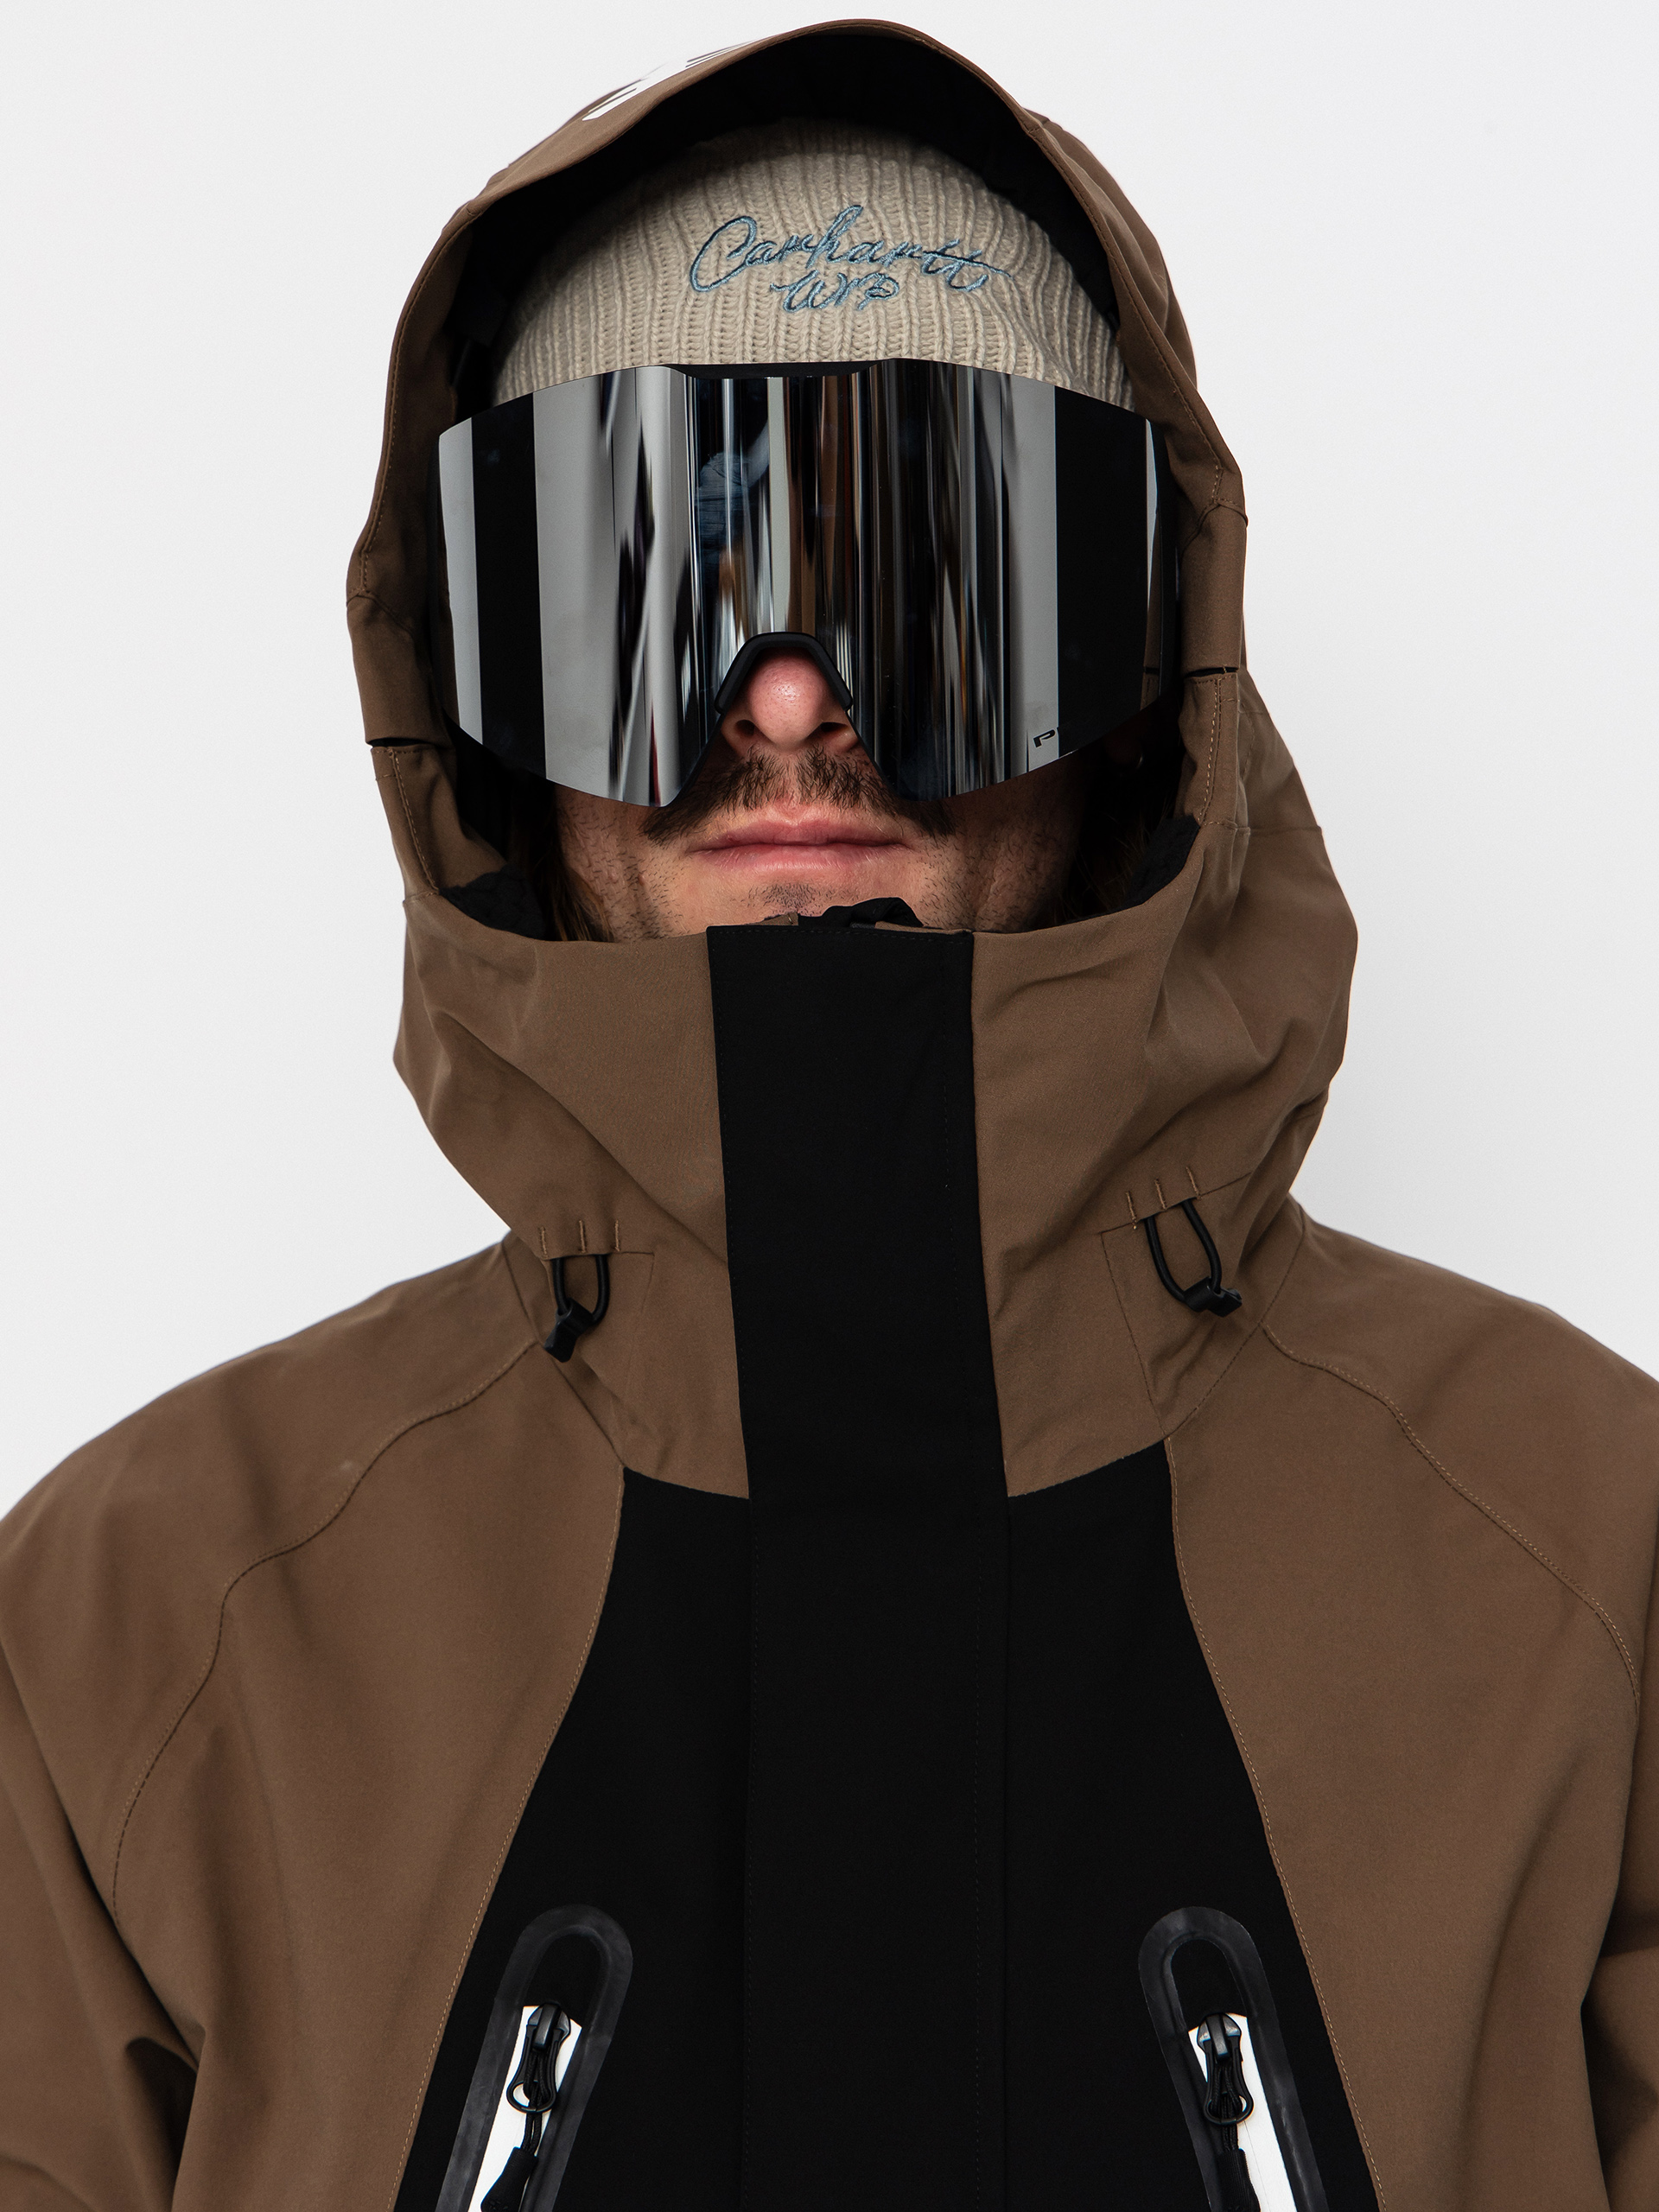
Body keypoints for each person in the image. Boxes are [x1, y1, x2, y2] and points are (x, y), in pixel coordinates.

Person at [2, 23, 1656, 2212]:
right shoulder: (143, 1626)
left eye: (937, 567)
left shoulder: (1592, 1564)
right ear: (488, 721)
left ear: (1142, 676)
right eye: (646, 578)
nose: (789, 694)